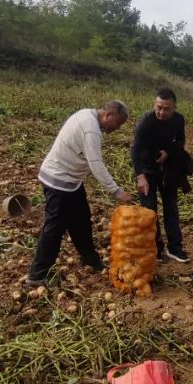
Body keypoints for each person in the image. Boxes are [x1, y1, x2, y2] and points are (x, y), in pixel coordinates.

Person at [26, 101, 135, 287]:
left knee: (82, 219)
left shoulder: (88, 114)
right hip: (58, 181)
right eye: (117, 124)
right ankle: (37, 275)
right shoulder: (91, 129)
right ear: (109, 115)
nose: (116, 129)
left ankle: (89, 258)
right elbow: (96, 164)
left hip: (71, 182)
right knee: (54, 228)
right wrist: (117, 191)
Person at [132, 88, 192, 262]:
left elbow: (180, 141)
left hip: (168, 169)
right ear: (154, 105)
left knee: (171, 209)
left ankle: (175, 248)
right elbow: (135, 149)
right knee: (149, 210)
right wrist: (140, 176)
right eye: (159, 107)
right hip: (147, 169)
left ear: (174, 107)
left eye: (166, 109)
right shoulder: (146, 121)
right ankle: (155, 248)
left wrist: (168, 153)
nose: (162, 112)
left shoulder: (178, 120)